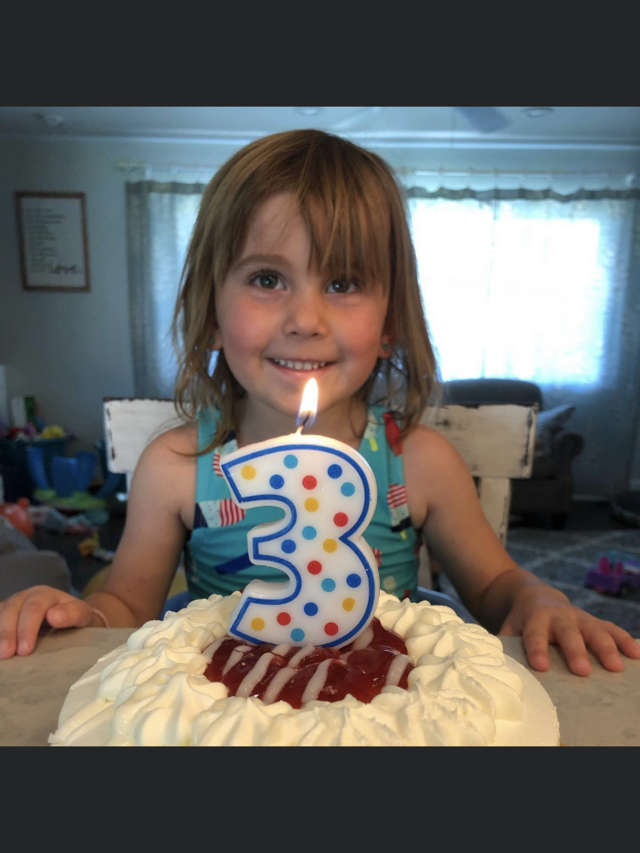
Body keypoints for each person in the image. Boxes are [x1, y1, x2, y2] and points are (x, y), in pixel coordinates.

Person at [1, 129, 638, 679]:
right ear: (211, 314)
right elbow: (126, 607)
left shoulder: (418, 462)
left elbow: (495, 586)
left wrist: (534, 597)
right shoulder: (177, 466)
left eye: (343, 282)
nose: (305, 319)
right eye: (267, 279)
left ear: (389, 323)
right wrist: (80, 614)